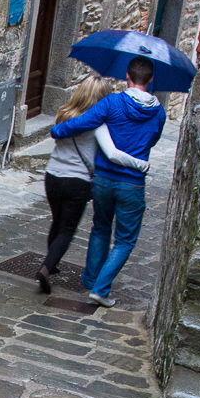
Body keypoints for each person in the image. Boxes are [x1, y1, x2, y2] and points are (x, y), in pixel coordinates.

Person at [49, 55, 166, 307]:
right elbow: (152, 140)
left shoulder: (112, 102)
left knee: (100, 228)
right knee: (124, 241)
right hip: (132, 184)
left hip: (102, 180)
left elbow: (83, 122)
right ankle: (101, 289)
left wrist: (57, 130)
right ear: (151, 79)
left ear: (127, 77)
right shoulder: (159, 113)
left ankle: (92, 280)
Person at [37, 75, 149, 295]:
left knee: (57, 221)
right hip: (78, 180)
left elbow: (58, 138)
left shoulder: (64, 113)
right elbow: (109, 152)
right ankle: (46, 268)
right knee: (67, 229)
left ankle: (52, 261)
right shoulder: (100, 123)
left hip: (52, 175)